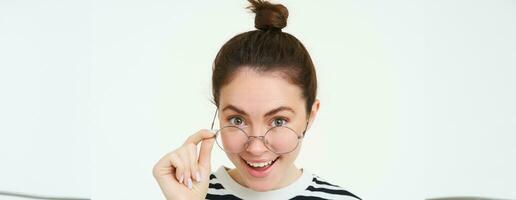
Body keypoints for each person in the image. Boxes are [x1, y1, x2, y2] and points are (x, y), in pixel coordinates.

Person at [152, 0, 361, 199]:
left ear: (310, 116)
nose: (255, 148)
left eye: (279, 121)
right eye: (237, 120)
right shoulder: (189, 195)